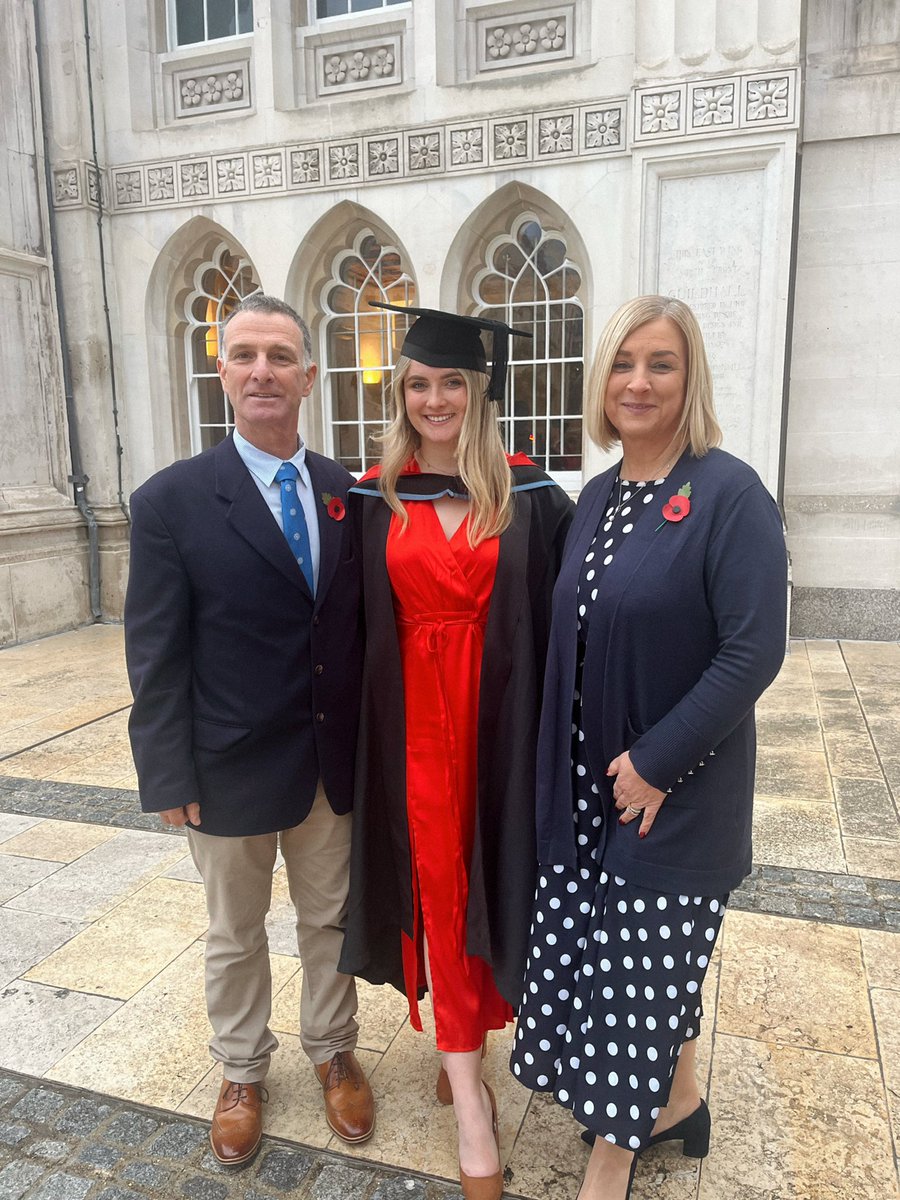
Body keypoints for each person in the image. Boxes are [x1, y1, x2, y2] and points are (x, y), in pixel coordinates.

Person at [510, 295, 788, 1200]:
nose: (638, 381)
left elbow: (754, 648)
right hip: (589, 786)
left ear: (689, 377)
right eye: (624, 362)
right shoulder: (595, 496)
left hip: (675, 788)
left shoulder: (729, 493)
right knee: (626, 963)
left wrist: (658, 762)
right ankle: (679, 1105)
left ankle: (610, 1162)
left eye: (660, 364)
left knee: (641, 972)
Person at [124, 294, 374, 1166]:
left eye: (279, 355)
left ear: (309, 375)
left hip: (328, 764)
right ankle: (240, 1069)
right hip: (225, 765)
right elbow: (155, 650)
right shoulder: (170, 502)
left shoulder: (351, 492)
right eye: (244, 355)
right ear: (223, 372)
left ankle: (333, 1050)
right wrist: (166, 773)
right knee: (235, 932)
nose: (262, 370)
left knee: (330, 920)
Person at [339, 304, 574, 1200]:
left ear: (480, 391)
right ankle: (469, 1092)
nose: (434, 398)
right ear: (402, 394)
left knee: (499, 876)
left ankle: (468, 1032)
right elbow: (348, 626)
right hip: (414, 732)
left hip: (503, 720)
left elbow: (563, 621)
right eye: (418, 384)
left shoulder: (529, 496)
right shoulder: (375, 496)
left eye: (451, 383)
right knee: (438, 884)